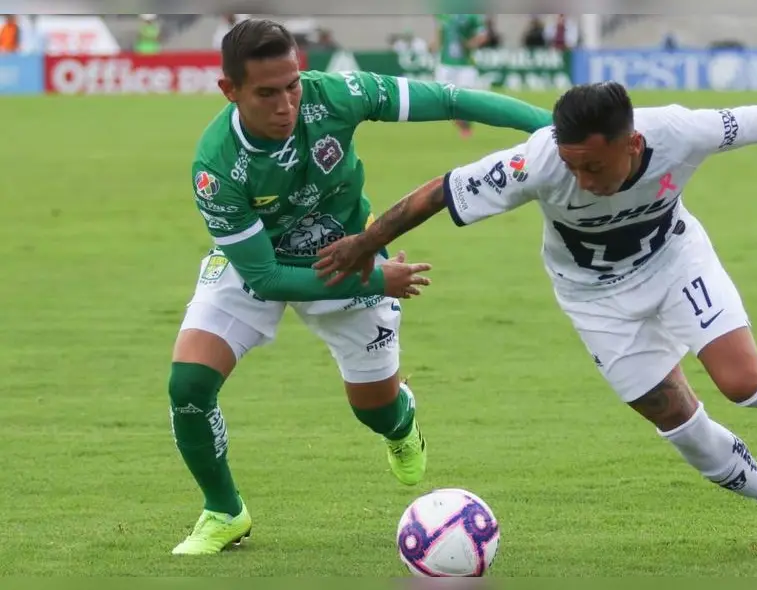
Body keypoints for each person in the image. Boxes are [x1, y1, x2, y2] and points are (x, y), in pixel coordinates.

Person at [312, 82, 757, 552]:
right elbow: (438, 191)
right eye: (573, 164)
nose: (581, 179)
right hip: (593, 299)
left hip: (676, 263)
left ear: (633, 143)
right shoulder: (539, 162)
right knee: (676, 422)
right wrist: (367, 244)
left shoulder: (682, 131)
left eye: (594, 166)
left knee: (743, 382)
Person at [169, 18, 552, 556]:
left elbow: (448, 99)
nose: (286, 104)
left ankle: (401, 423)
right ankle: (224, 511)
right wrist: (380, 277)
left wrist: (556, 128)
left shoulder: (338, 95)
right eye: (266, 93)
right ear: (229, 91)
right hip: (263, 262)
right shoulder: (217, 166)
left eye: (293, 85)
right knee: (188, 387)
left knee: (374, 408)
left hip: (346, 249)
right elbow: (266, 278)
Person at [433, 14, 489, 137]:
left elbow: (483, 35)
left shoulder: (473, 16)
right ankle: (462, 125)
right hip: (445, 63)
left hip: (465, 64)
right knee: (445, 98)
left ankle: (466, 126)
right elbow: (439, 31)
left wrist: (471, 44)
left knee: (465, 97)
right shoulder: (443, 14)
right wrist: (436, 45)